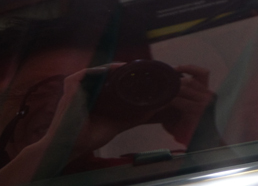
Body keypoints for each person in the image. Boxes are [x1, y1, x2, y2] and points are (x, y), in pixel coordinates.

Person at [0, 28, 214, 186]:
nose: (62, 106)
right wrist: (56, 149)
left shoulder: (128, 175)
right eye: (39, 91)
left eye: (84, 90)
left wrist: (204, 136)